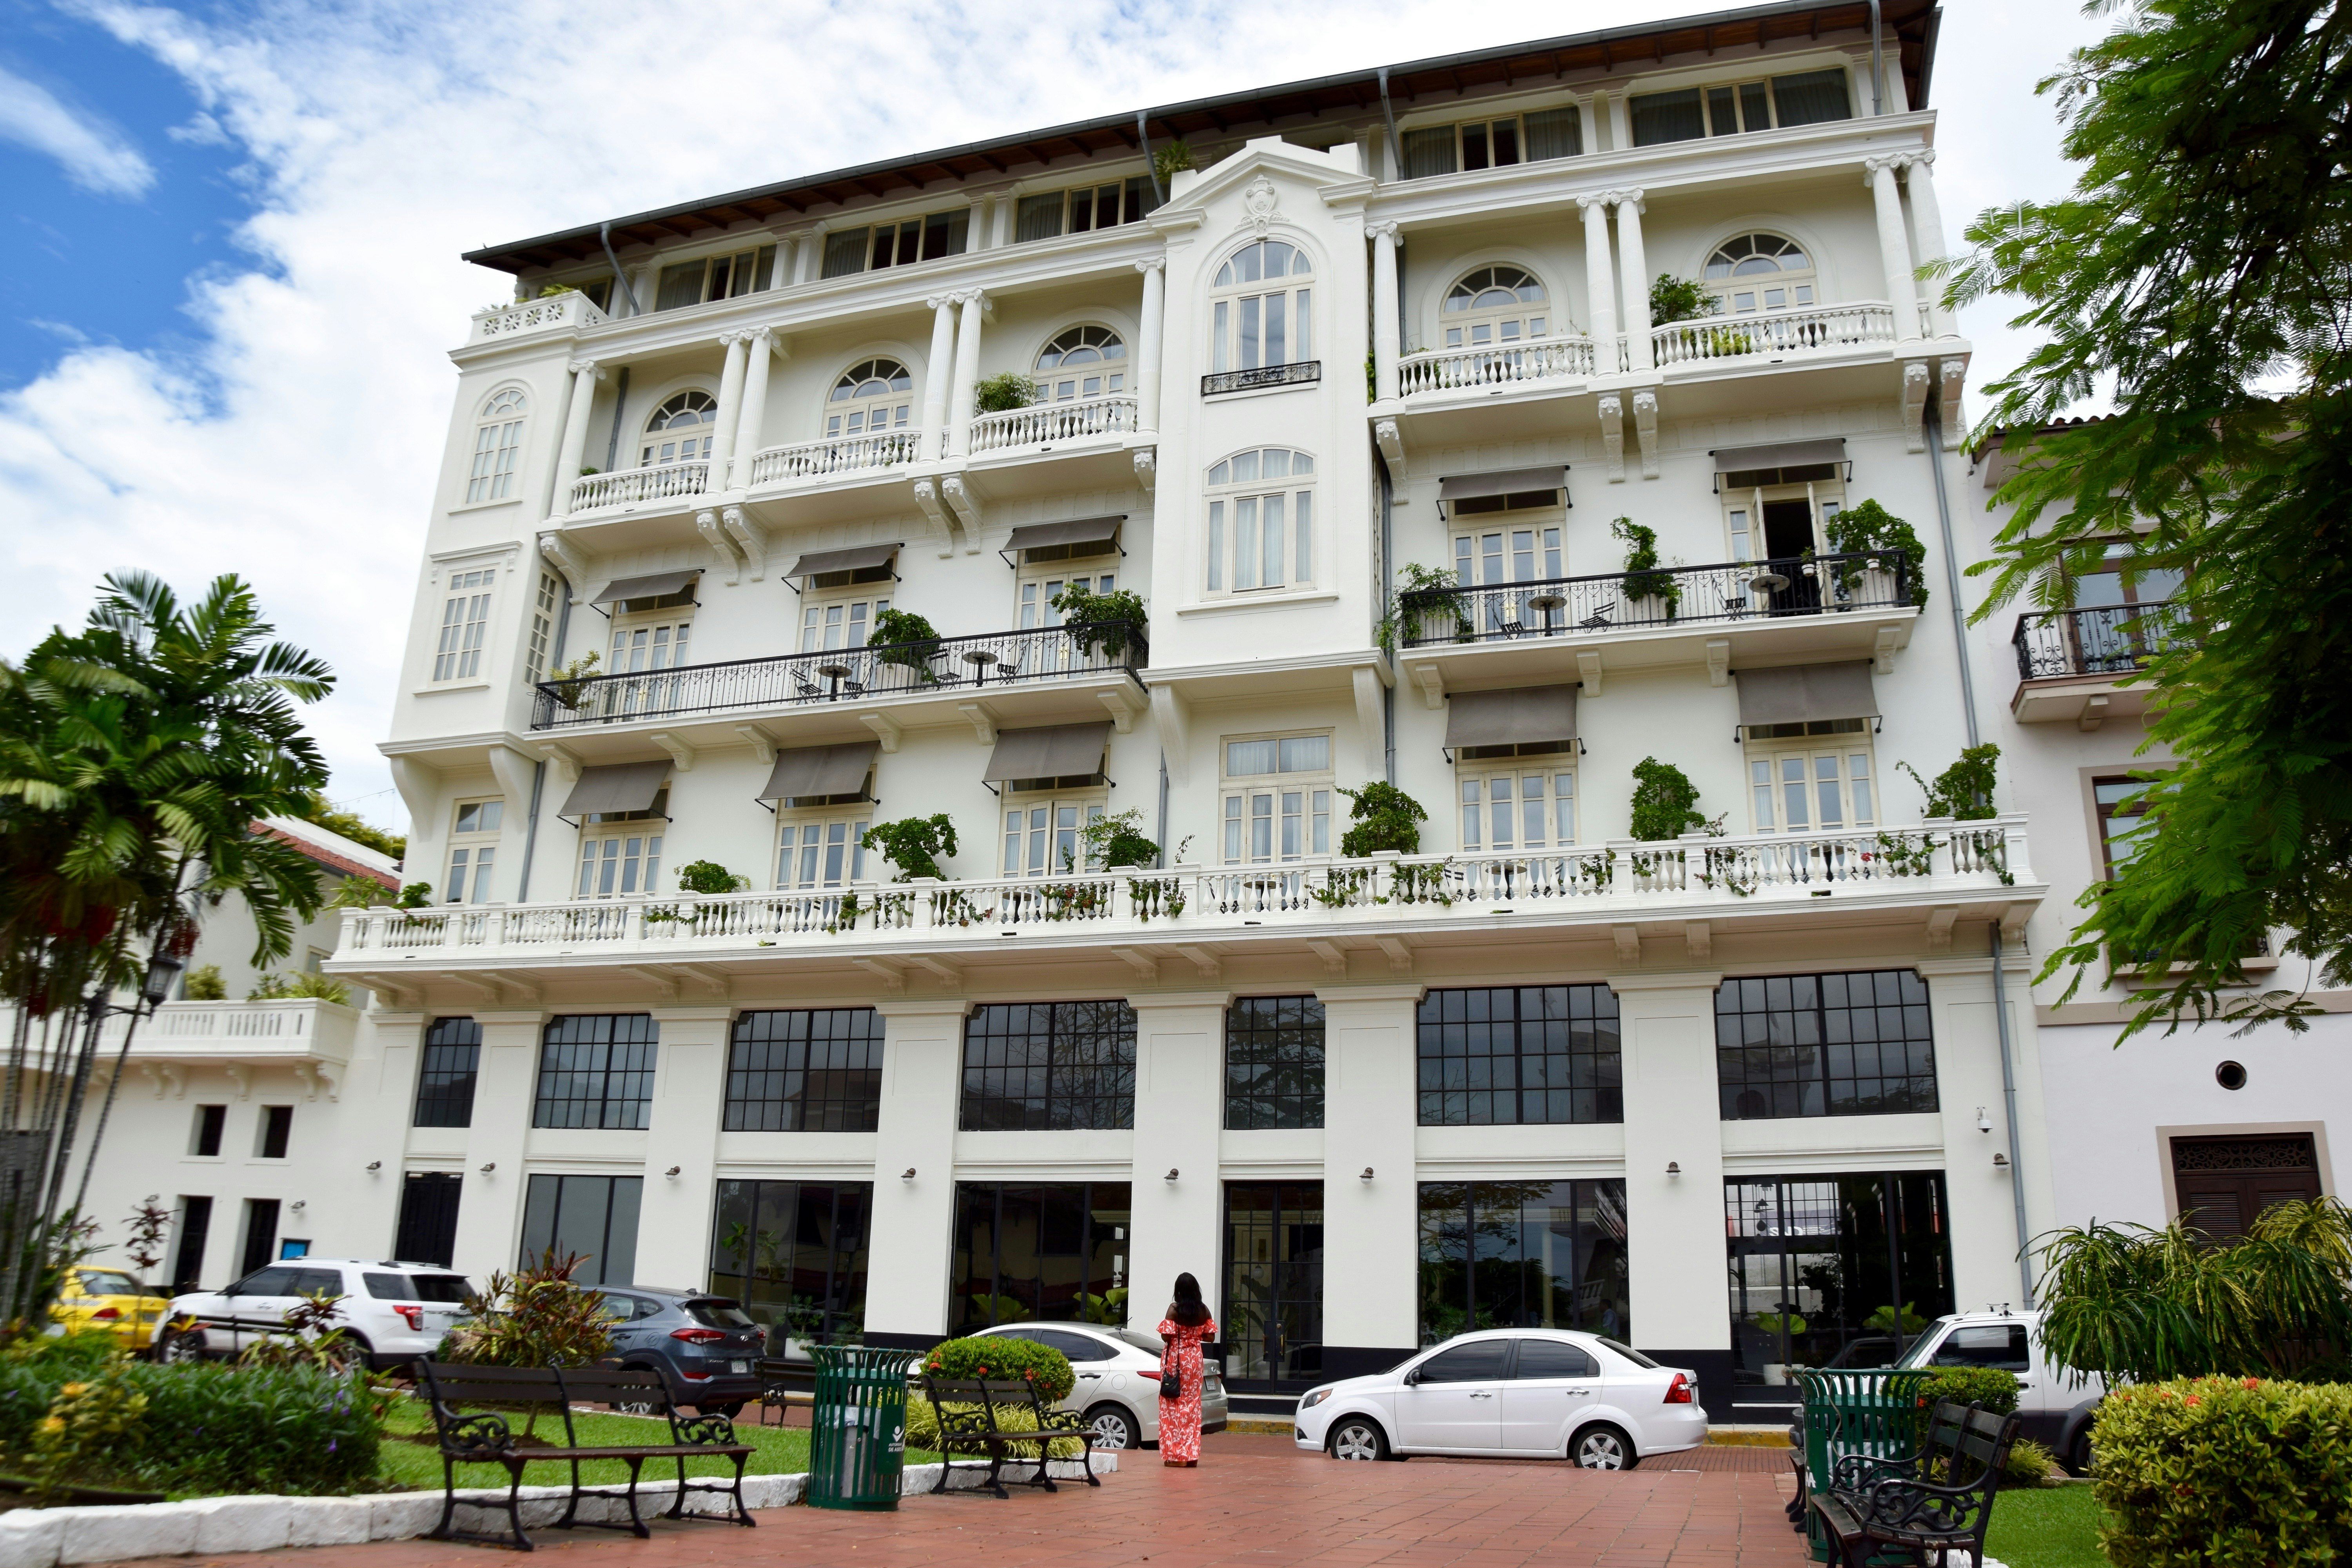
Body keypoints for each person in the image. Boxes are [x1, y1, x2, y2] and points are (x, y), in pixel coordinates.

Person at [1156, 1273, 1215, 1468]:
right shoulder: (1203, 1310)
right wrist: (1194, 1335)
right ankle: (1191, 1456)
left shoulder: (1174, 1309)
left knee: (1172, 1407)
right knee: (1192, 1407)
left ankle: (1176, 1457)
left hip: (1177, 1361)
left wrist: (1181, 1334)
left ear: (1179, 1291)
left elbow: (1166, 1336)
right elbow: (1210, 1337)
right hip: (1195, 1361)